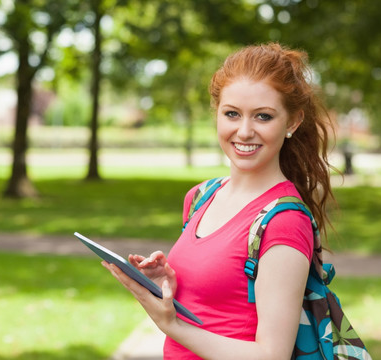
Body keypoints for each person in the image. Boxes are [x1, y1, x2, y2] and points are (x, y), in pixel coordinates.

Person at [102, 43, 335, 359]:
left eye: (263, 116)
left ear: (292, 122)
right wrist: (168, 283)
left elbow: (271, 355)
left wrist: (172, 325)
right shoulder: (201, 196)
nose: (244, 131)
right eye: (232, 114)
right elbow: (219, 298)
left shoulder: (283, 221)